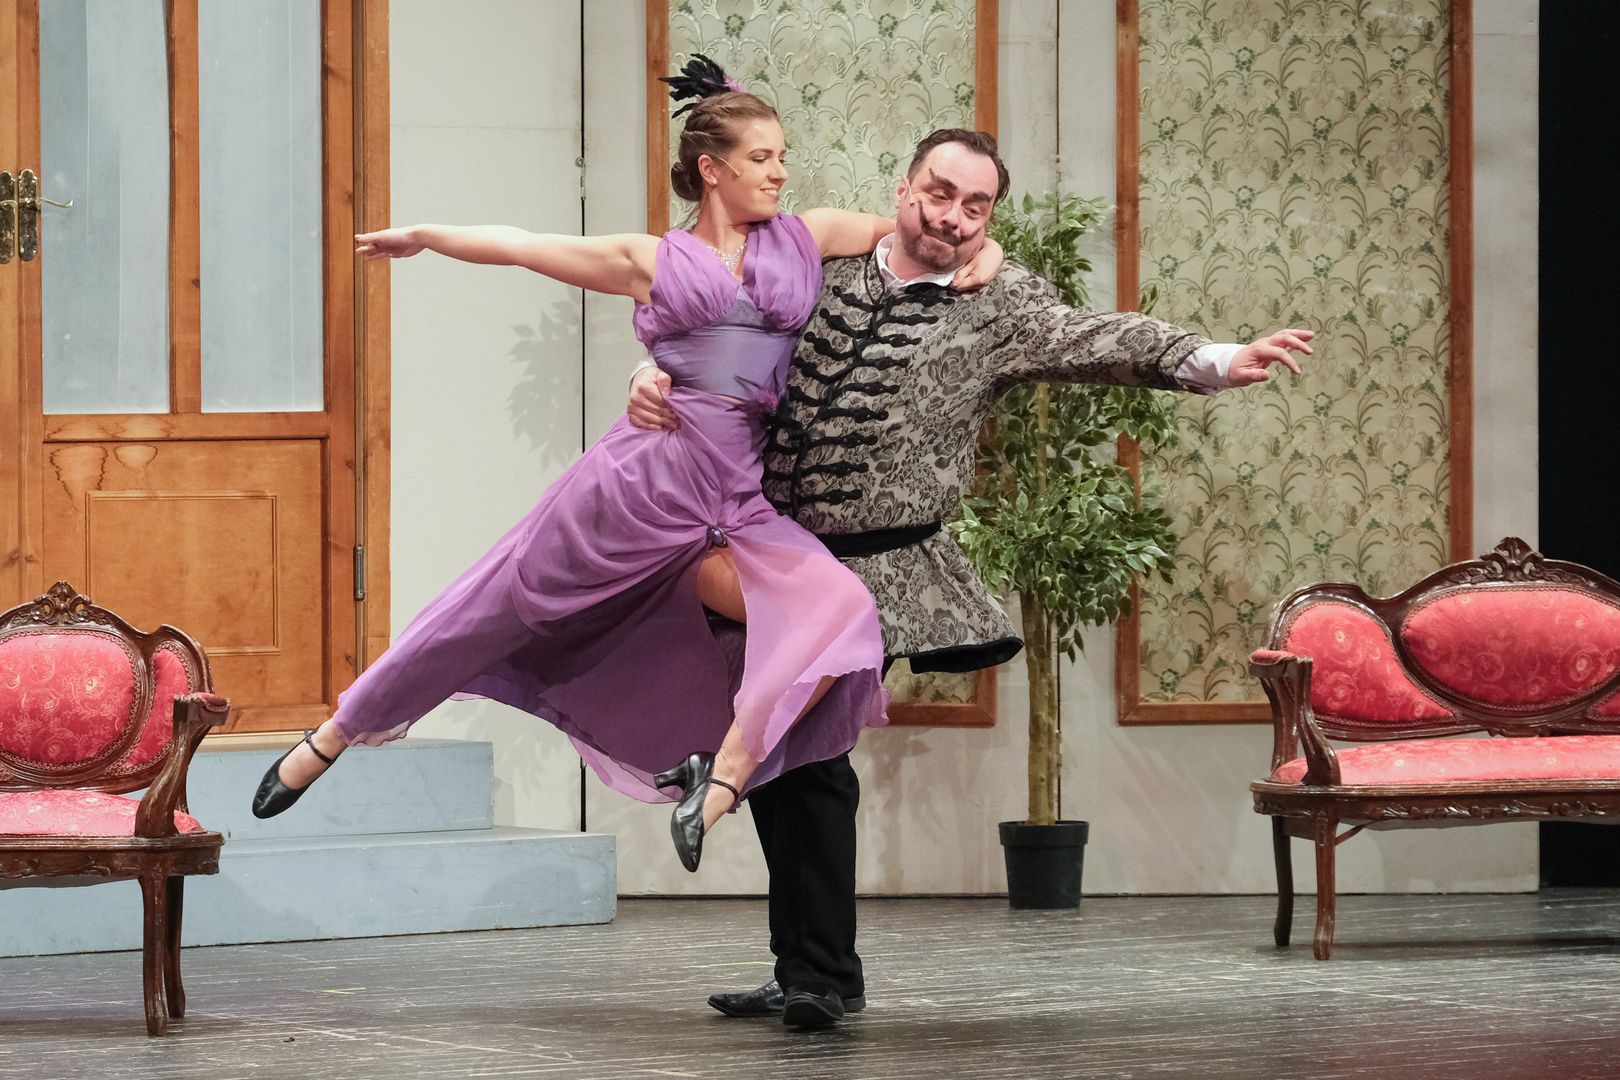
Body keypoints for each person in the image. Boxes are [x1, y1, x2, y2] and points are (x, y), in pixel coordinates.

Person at [627, 127, 1314, 1025]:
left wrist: (1216, 359)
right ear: (904, 189)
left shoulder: (1001, 300)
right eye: (940, 194)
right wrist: (651, 373)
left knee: (813, 749)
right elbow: (724, 327)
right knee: (787, 761)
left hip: (882, 566)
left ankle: (820, 976)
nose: (954, 218)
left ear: (990, 217)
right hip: (770, 550)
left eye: (975, 206)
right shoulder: (821, 268)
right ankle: (808, 967)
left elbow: (1094, 336)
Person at [247, 61, 1003, 876]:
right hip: (641, 485)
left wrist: (988, 248)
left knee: (841, 611)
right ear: (712, 170)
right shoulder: (653, 260)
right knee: (492, 606)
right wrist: (428, 236)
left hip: (734, 502)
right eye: (760, 158)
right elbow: (527, 248)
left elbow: (913, 238)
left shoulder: (807, 235)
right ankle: (333, 736)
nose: (779, 172)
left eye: (781, 156)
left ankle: (715, 783)